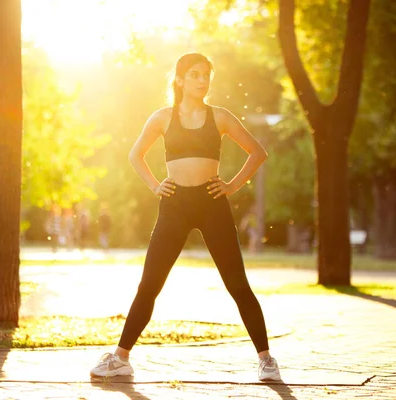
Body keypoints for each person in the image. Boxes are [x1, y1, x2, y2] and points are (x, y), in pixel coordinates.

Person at [89, 53, 281, 381]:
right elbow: (136, 154)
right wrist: (154, 185)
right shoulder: (163, 117)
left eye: (207, 75)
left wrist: (231, 186)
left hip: (211, 203)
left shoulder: (220, 116)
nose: (202, 80)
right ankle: (121, 359)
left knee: (237, 284)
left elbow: (258, 152)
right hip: (174, 205)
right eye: (195, 74)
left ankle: (266, 360)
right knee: (149, 284)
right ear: (179, 80)